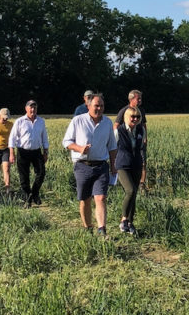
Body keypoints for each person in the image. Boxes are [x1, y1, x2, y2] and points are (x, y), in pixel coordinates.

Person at [63, 93, 117, 236]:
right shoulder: (78, 121)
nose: (99, 108)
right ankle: (88, 228)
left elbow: (112, 146)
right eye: (96, 106)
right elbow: (66, 142)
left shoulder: (107, 123)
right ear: (88, 106)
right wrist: (80, 148)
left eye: (101, 106)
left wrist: (113, 165)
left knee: (101, 198)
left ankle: (102, 229)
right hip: (82, 166)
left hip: (101, 166)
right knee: (85, 199)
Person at [9, 100, 49, 207]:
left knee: (41, 173)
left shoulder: (41, 121)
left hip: (36, 152)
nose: (33, 110)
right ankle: (28, 197)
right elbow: (12, 138)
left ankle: (35, 193)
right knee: (24, 177)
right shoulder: (20, 121)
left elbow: (44, 137)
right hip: (23, 152)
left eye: (34, 108)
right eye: (30, 107)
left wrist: (46, 151)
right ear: (26, 109)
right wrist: (11, 153)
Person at [115, 105, 146, 234]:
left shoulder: (140, 130)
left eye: (137, 117)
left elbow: (141, 148)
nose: (135, 119)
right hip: (123, 165)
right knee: (130, 190)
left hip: (136, 164)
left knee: (134, 194)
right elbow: (112, 147)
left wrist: (143, 162)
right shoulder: (119, 131)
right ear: (126, 117)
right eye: (132, 116)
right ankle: (124, 219)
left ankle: (130, 223)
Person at [114, 89, 148, 188]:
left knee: (143, 162)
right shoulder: (124, 111)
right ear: (131, 99)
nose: (140, 100)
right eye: (138, 98)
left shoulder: (141, 110)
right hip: (127, 142)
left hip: (138, 139)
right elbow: (116, 125)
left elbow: (144, 125)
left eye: (141, 98)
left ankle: (142, 185)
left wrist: (145, 138)